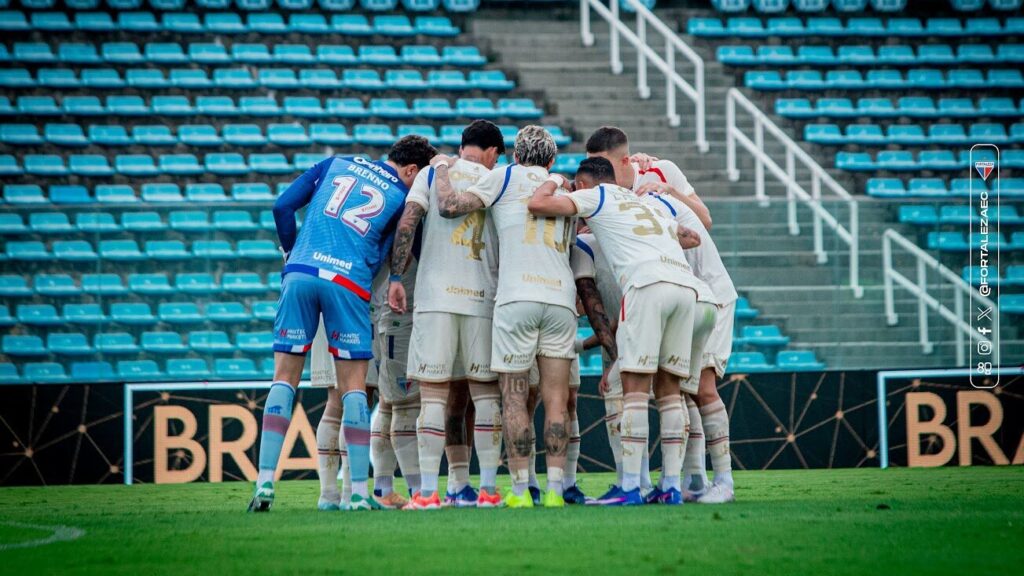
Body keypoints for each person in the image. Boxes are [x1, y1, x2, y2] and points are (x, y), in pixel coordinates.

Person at [248, 136, 437, 512]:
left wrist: (292, 253)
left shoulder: (334, 163)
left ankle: (265, 483)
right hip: (348, 282)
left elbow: (282, 206)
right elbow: (386, 253)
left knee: (283, 380)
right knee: (354, 390)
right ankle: (359, 494)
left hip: (300, 273)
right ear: (412, 170)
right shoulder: (403, 197)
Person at [528, 156, 713, 506]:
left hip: (646, 286)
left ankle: (630, 486)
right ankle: (670, 486)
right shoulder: (645, 202)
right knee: (670, 391)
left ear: (585, 184)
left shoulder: (595, 195)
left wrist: (555, 181)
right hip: (685, 287)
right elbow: (691, 237)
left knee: (634, 390)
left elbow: (538, 204)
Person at [430, 125, 577, 508]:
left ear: (516, 154)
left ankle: (519, 489)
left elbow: (449, 206)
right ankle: (555, 491)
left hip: (517, 296)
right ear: (551, 160)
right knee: (557, 399)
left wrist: (442, 167)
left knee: (513, 397)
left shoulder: (505, 176)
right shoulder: (565, 189)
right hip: (561, 297)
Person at [387, 120, 507, 510]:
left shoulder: (431, 172)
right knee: (486, 396)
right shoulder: (498, 179)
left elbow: (408, 222)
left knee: (434, 397)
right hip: (482, 297)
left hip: (435, 297)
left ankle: (427, 493)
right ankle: (488, 490)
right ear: (492, 152)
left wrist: (396, 277)